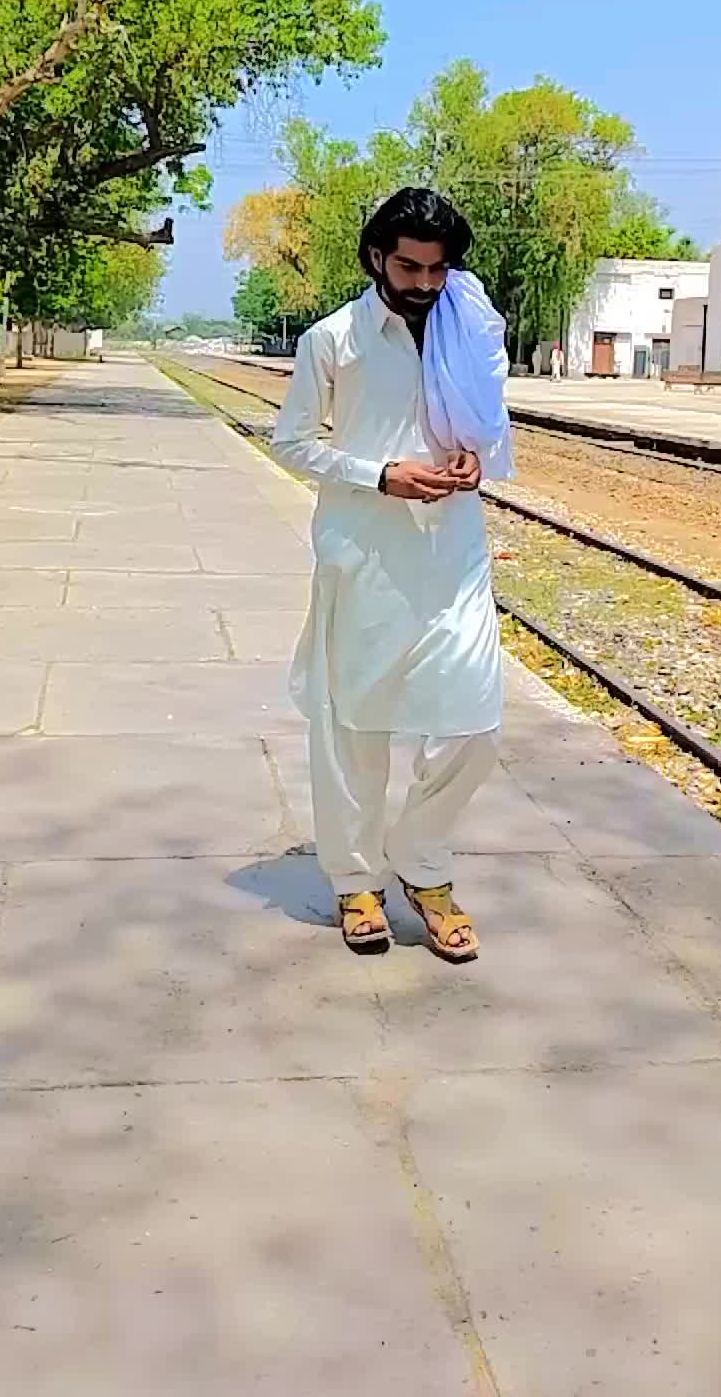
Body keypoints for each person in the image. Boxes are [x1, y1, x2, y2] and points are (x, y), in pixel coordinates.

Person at [272, 188, 511, 963]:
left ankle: (421, 861)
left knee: (475, 722)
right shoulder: (333, 340)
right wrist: (380, 475)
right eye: (410, 267)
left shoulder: (466, 328)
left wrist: (473, 459)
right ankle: (356, 882)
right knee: (356, 727)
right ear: (377, 257)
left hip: (452, 552)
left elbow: (483, 424)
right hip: (366, 551)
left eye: (438, 270)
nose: (425, 284)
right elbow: (292, 442)